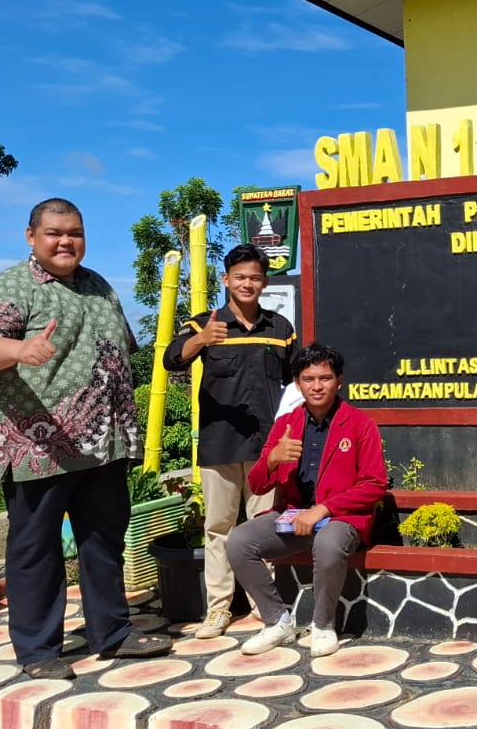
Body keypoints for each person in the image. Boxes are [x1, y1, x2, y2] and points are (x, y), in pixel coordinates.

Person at [0, 198, 172, 680]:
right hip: (38, 446)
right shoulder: (11, 287)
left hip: (102, 444)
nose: (65, 241)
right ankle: (38, 650)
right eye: (54, 232)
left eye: (74, 232)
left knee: (103, 540)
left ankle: (112, 633)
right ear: (31, 236)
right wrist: (19, 348)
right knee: (35, 548)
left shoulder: (98, 286)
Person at [162, 244, 298, 638]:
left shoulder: (280, 329)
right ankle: (218, 610)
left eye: (255, 277)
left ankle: (263, 606)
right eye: (240, 277)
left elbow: (294, 382)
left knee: (264, 527)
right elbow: (172, 358)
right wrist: (202, 339)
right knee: (219, 527)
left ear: (264, 282)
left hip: (266, 446)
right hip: (219, 443)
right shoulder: (204, 323)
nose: (247, 284)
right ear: (226, 280)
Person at [229, 343, 387, 658]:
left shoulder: (359, 424)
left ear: (339, 381)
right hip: (293, 516)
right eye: (308, 379)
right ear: (298, 383)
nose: (317, 386)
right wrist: (272, 459)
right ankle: (277, 621)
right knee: (239, 541)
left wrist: (323, 509)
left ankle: (324, 625)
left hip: (342, 518)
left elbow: (375, 484)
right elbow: (257, 484)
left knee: (328, 544)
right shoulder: (286, 425)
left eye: (325, 378)